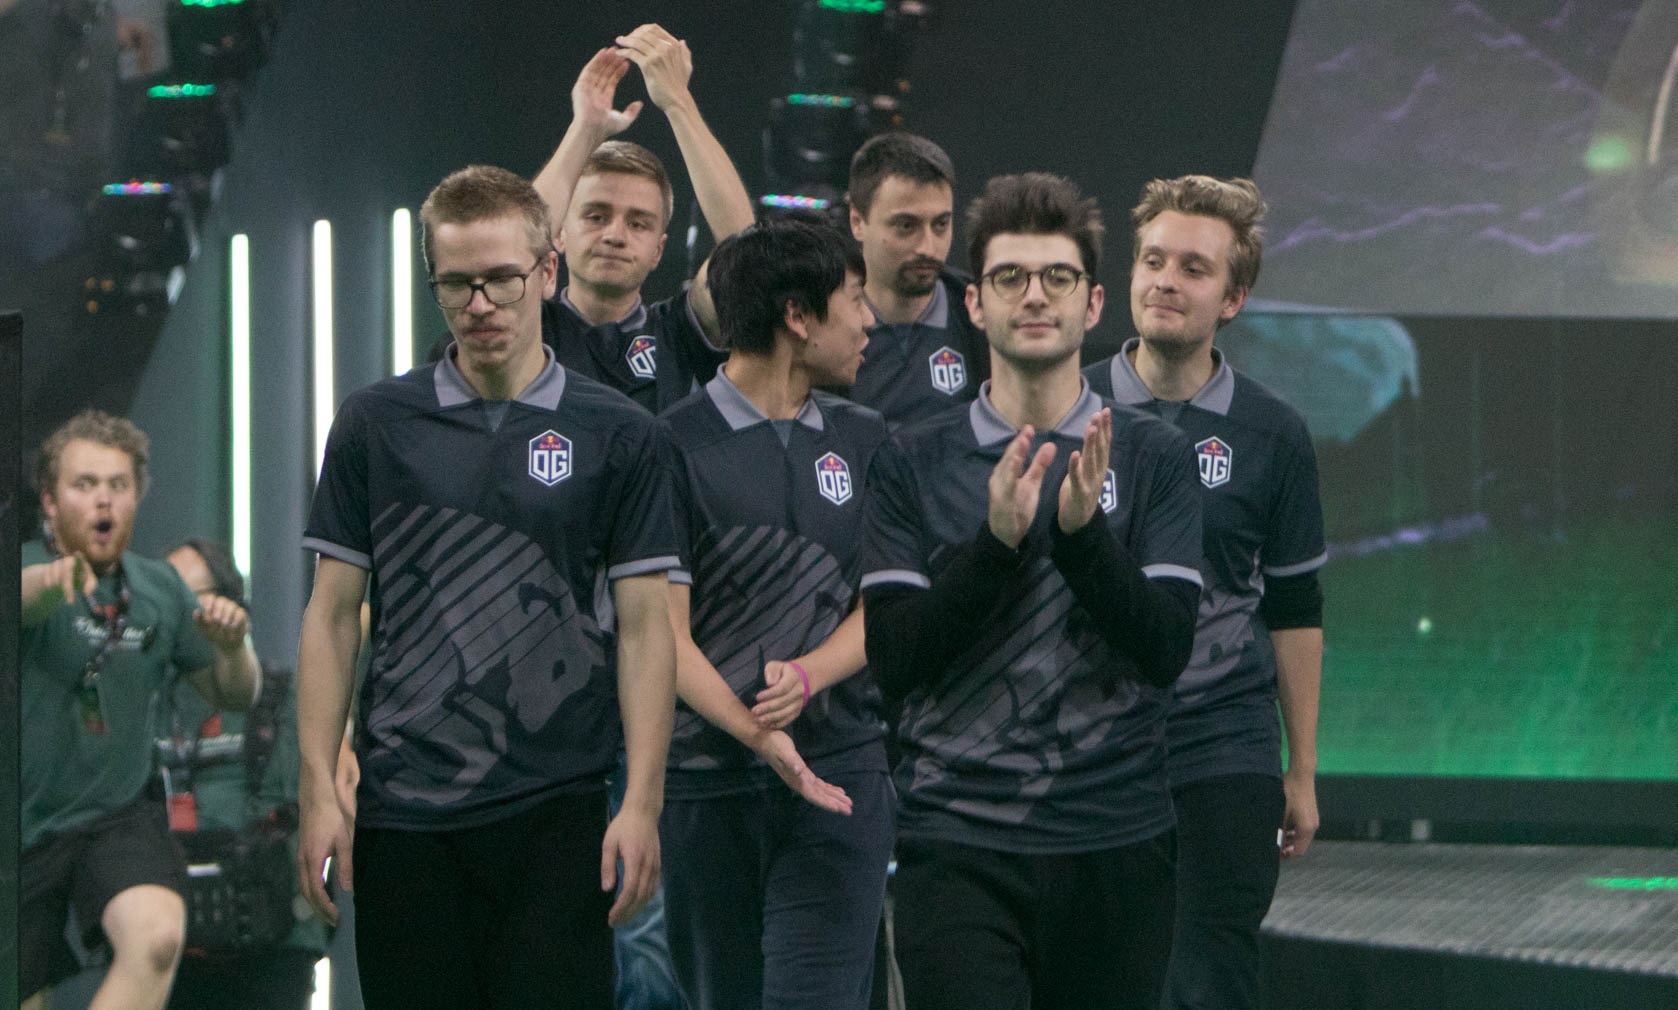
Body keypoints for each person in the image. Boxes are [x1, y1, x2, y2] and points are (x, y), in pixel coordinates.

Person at [293, 164, 678, 1010]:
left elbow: (650, 628)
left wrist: (642, 802)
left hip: (560, 806)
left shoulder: (622, 434)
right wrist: (317, 786)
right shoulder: (373, 424)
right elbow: (331, 616)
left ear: (547, 272)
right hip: (403, 812)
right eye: (456, 284)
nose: (479, 304)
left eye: (502, 279)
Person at [859, 173, 1205, 1010]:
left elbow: (1166, 651)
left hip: (1117, 839)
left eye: (1058, 276)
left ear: (1094, 305)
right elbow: (894, 661)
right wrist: (996, 545)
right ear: (975, 305)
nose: (1036, 295)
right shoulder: (909, 459)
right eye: (1010, 277)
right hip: (958, 842)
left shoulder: (1155, 456)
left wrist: (1085, 540)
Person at [1083, 175, 1325, 1010]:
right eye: (1153, 260)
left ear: (1233, 298)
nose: (1166, 281)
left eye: (1193, 268)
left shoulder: (1274, 433)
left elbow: (1295, 608)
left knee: (1207, 981)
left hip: (1224, 744)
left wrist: (1303, 769)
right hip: (1089, 747)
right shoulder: (1066, 408)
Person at [659, 218, 893, 1010]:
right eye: (854, 300)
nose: (869, 322)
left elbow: (882, 601)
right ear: (798, 316)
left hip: (841, 773)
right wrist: (758, 734)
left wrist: (809, 674)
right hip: (707, 784)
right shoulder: (669, 445)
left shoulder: (866, 438)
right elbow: (662, 634)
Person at [20, 409, 261, 1010]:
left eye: (118, 485)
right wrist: (48, 585)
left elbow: (237, 693)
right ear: (50, 501)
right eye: (84, 485)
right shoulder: (22, 567)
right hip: (19, 825)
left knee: (155, 940)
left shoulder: (160, 587)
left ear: (136, 497)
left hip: (114, 815)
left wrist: (235, 647)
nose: (103, 499)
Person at [532, 23, 755, 413]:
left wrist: (678, 101)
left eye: (638, 223)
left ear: (658, 250)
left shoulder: (681, 333)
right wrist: (584, 129)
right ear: (560, 234)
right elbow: (514, 246)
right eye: (596, 216)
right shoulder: (523, 324)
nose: (615, 235)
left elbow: (746, 250)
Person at [155, 539, 328, 1010]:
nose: (174, 609)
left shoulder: (279, 698)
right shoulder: (144, 701)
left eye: (187, 596)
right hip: (170, 938)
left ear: (229, 605)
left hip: (271, 943)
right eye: (162, 594)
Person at [843, 131, 989, 427]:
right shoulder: (822, 323)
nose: (928, 248)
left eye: (941, 224)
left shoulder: (984, 317)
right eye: (906, 225)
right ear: (857, 222)